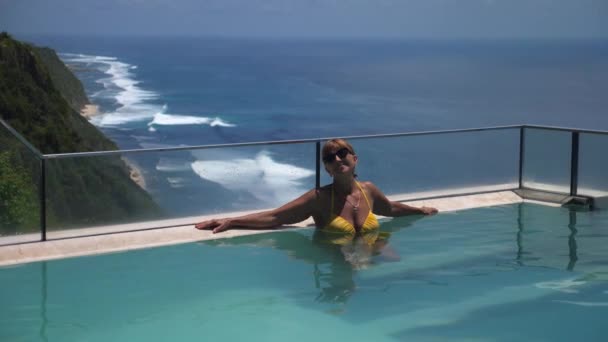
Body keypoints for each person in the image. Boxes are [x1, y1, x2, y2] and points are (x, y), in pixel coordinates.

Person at [195, 138, 438, 234]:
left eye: (343, 153)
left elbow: (391, 209)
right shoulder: (319, 198)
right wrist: (232, 221)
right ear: (327, 169)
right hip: (335, 263)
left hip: (373, 255)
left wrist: (420, 210)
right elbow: (275, 217)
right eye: (330, 158)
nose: (337, 159)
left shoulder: (369, 190)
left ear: (355, 159)